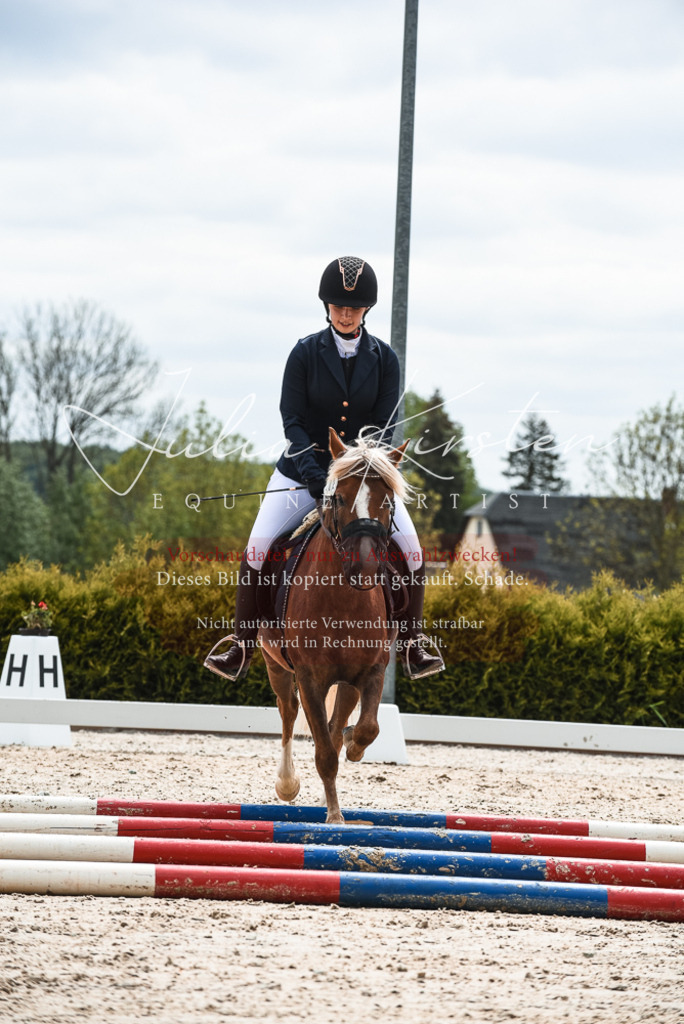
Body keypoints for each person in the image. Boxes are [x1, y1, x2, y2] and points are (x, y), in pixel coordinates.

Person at [204, 256, 445, 681]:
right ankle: (240, 646)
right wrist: (317, 476)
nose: (345, 313)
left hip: (363, 482)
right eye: (337, 306)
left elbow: (385, 429)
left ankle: (411, 645)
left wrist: (356, 478)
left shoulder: (385, 360)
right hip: (301, 475)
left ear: (366, 310)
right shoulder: (304, 353)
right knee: (257, 552)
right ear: (326, 307)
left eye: (352, 307)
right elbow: (292, 421)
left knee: (412, 552)